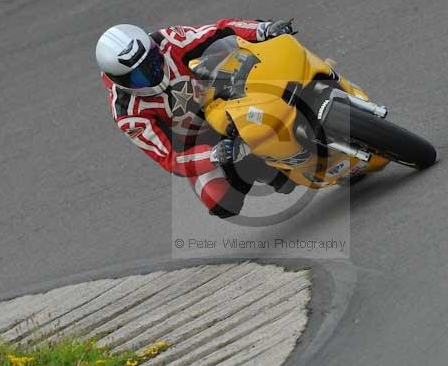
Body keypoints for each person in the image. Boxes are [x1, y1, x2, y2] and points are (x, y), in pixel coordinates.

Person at [95, 18, 297, 218]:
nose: (153, 73)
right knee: (221, 202)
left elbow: (219, 31)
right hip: (199, 141)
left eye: (153, 61)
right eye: (139, 76)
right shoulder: (127, 113)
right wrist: (213, 155)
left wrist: (262, 29)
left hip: (223, 95)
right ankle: (255, 166)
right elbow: (170, 158)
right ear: (120, 81)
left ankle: (303, 90)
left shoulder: (170, 40)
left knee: (262, 49)